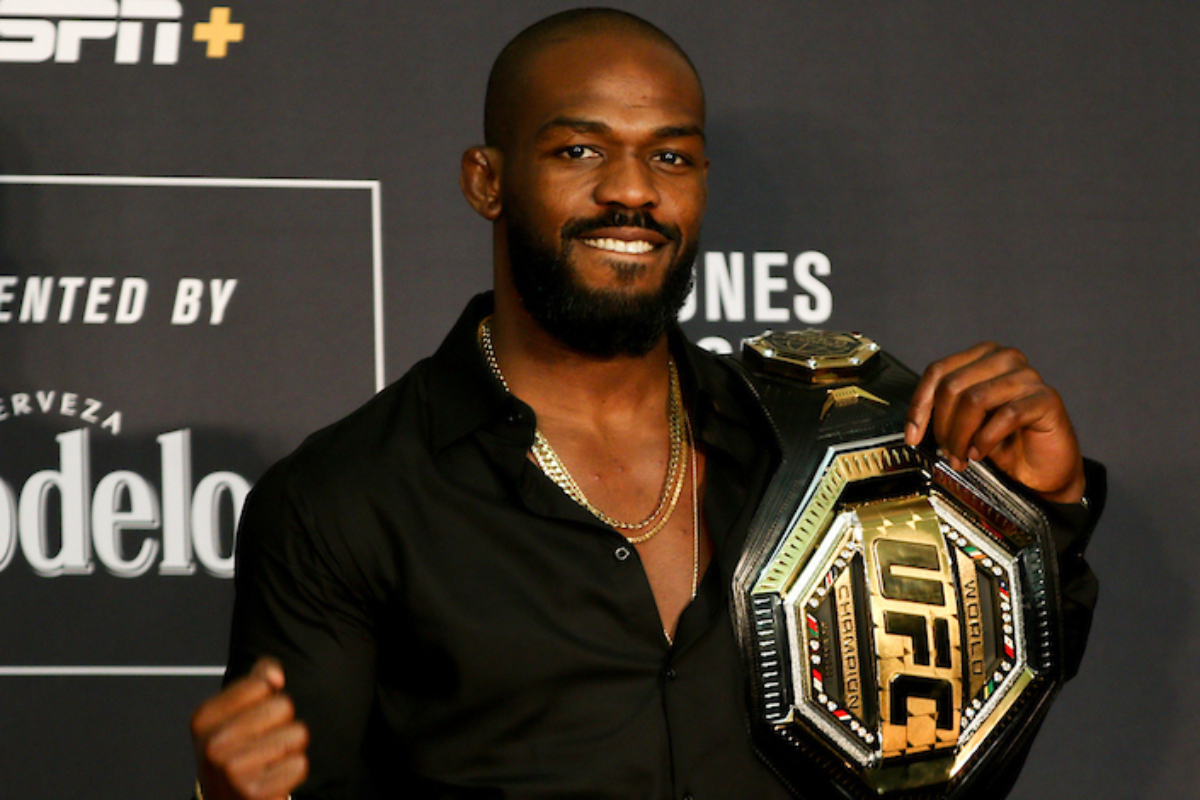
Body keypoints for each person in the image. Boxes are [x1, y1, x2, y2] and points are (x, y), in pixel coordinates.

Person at [190, 9, 1100, 800]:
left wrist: (1044, 515)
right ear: (487, 181)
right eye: (579, 150)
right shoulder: (342, 501)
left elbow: (946, 746)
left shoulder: (826, 442)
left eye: (670, 156)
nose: (632, 191)